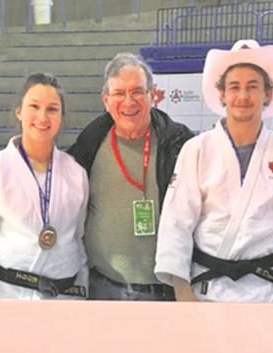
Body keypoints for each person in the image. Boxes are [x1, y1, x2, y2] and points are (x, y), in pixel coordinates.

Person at [155, 40, 273, 303]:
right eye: (234, 87)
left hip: (267, 290)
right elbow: (176, 220)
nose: (243, 96)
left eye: (253, 86)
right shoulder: (197, 149)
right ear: (222, 95)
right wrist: (182, 290)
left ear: (267, 94)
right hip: (208, 289)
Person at [68, 53, 193, 301]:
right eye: (119, 93)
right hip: (101, 288)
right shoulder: (90, 143)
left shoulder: (179, 144)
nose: (129, 102)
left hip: (163, 289)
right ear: (106, 100)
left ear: (152, 95)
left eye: (137, 92)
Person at [0, 73, 89, 299]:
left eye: (52, 109)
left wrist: (83, 293)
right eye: (34, 106)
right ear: (19, 111)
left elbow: (78, 241)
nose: (42, 117)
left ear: (62, 117)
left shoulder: (76, 174)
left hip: (65, 298)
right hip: (9, 297)